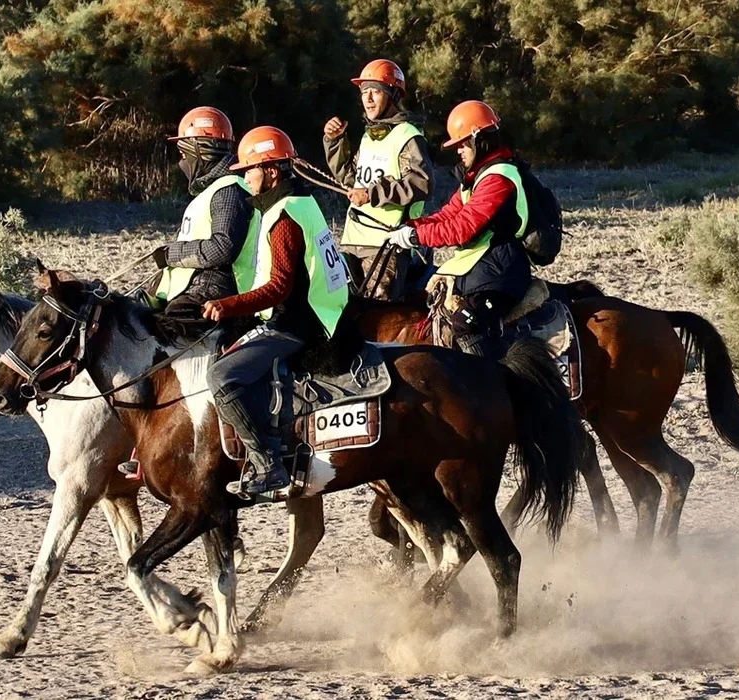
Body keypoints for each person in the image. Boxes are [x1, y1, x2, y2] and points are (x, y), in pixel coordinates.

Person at [204, 126, 350, 496]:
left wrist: (228, 305)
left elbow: (279, 287)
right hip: (321, 313)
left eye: (249, 169)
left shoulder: (283, 217)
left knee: (223, 376)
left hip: (300, 324)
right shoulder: (301, 202)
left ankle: (268, 465)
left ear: (271, 171)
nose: (244, 176)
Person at [385, 100, 531, 359]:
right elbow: (447, 215)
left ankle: (501, 388)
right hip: (483, 268)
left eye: (463, 144)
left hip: (501, 272)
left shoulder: (498, 178)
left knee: (466, 324)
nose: (459, 151)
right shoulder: (479, 177)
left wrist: (416, 236)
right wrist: (409, 226)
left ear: (480, 140)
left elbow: (462, 229)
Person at [323, 59, 433, 300]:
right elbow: (350, 179)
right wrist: (334, 142)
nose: (368, 99)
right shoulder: (369, 137)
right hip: (353, 242)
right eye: (364, 92)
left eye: (376, 91)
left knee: (378, 323)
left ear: (393, 95)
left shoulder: (408, 136)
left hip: (387, 246)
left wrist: (372, 193)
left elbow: (421, 183)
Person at [151, 107, 256, 324]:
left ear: (201, 150)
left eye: (184, 150)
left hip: (213, 287)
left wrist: (171, 254)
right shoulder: (215, 188)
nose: (182, 158)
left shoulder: (229, 189)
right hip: (200, 283)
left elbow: (223, 247)